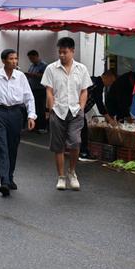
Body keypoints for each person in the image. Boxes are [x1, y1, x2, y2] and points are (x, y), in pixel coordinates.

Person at [0, 48, 36, 196]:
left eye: (16, 59)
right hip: (0, 113)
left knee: (13, 146)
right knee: (2, 146)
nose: (14, 61)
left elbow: (29, 97)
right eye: (11, 59)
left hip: (16, 113)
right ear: (4, 61)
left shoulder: (20, 77)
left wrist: (31, 116)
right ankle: (4, 181)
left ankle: (10, 176)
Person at [42, 37, 91, 191]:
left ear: (72, 51)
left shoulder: (81, 69)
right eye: (60, 52)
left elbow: (84, 90)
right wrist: (51, 109)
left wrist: (81, 107)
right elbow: (49, 91)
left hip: (75, 111)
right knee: (58, 146)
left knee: (75, 142)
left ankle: (72, 172)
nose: (62, 55)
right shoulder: (51, 68)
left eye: (65, 52)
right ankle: (61, 176)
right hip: (58, 111)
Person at [25, 49, 48, 134]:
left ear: (36, 56)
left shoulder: (43, 65)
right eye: (29, 58)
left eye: (32, 58)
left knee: (41, 109)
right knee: (34, 108)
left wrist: (33, 75)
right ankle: (35, 126)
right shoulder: (32, 66)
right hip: (33, 89)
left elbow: (45, 76)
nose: (31, 60)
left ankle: (42, 127)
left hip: (40, 89)